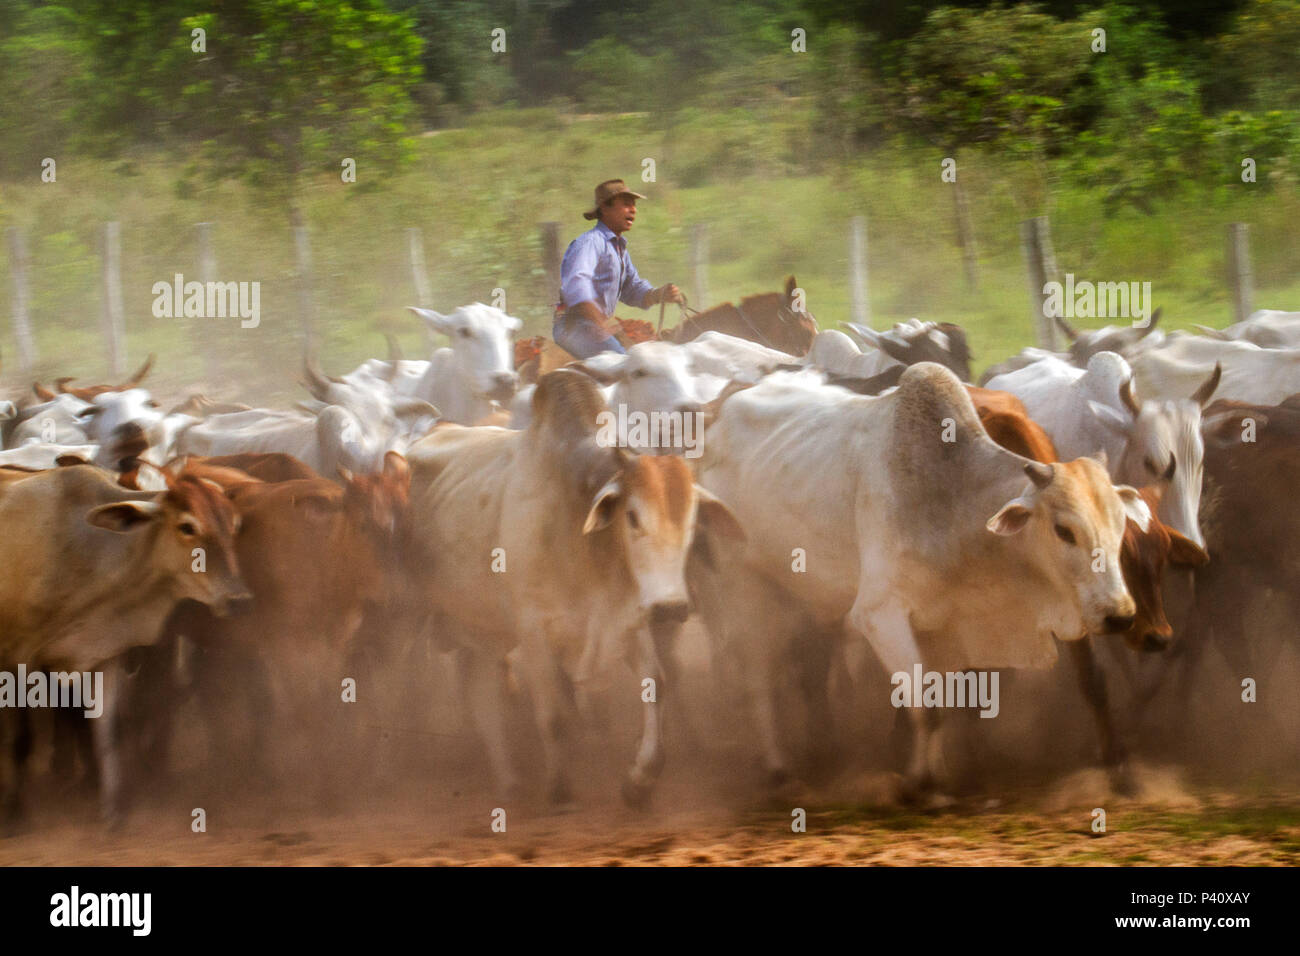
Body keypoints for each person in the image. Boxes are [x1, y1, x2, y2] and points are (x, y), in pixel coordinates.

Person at [553, 179, 684, 359]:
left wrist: (658, 295)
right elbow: (577, 286)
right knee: (624, 367)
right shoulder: (590, 242)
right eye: (626, 204)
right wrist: (601, 324)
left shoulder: (618, 249)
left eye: (634, 205)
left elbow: (632, 288)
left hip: (591, 324)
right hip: (575, 325)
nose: (633, 209)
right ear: (605, 208)